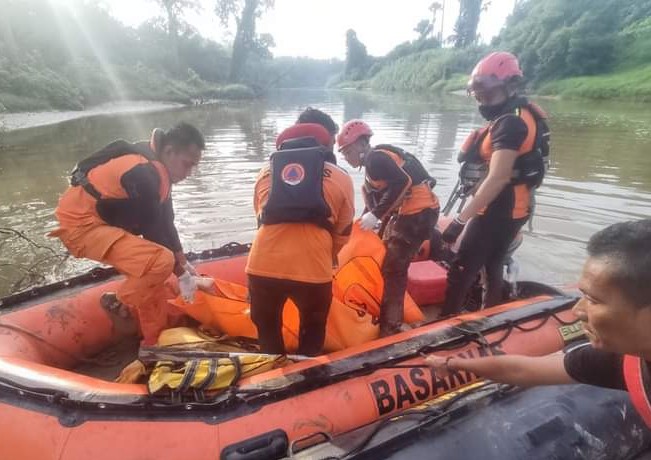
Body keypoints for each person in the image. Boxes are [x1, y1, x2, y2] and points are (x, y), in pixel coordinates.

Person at [426, 219, 651, 428]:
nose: (578, 310)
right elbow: (520, 369)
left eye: (593, 300)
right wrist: (454, 364)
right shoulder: (621, 361)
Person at [50, 122, 210, 345]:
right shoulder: (142, 172)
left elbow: (166, 222)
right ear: (170, 151)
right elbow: (153, 231)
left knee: (154, 276)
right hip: (81, 226)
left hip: (103, 224)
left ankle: (153, 344)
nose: (189, 173)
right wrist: (182, 274)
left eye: (193, 167)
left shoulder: (159, 171)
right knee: (159, 261)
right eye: (187, 165)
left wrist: (186, 265)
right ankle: (118, 302)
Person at [440, 51, 550, 316]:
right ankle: (490, 314)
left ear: (511, 86)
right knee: (493, 263)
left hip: (498, 208)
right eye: (479, 96)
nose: (483, 101)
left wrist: (459, 221)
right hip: (517, 207)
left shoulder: (510, 123)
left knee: (462, 268)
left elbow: (499, 176)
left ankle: (444, 323)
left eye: (488, 95)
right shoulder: (521, 113)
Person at [245, 120, 355, 356]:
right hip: (313, 269)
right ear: (324, 148)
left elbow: (260, 216)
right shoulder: (341, 177)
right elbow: (344, 230)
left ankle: (272, 377)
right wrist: (329, 254)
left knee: (267, 331)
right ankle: (306, 375)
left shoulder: (265, 173)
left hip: (262, 265)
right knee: (313, 331)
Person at [337, 120, 440, 337]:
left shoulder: (375, 159)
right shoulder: (373, 165)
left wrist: (376, 215)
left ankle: (390, 326)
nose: (345, 157)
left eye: (346, 152)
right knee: (388, 260)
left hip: (418, 214)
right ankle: (389, 313)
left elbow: (403, 181)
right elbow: (380, 197)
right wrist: (368, 220)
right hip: (411, 214)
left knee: (394, 268)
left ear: (359, 144)